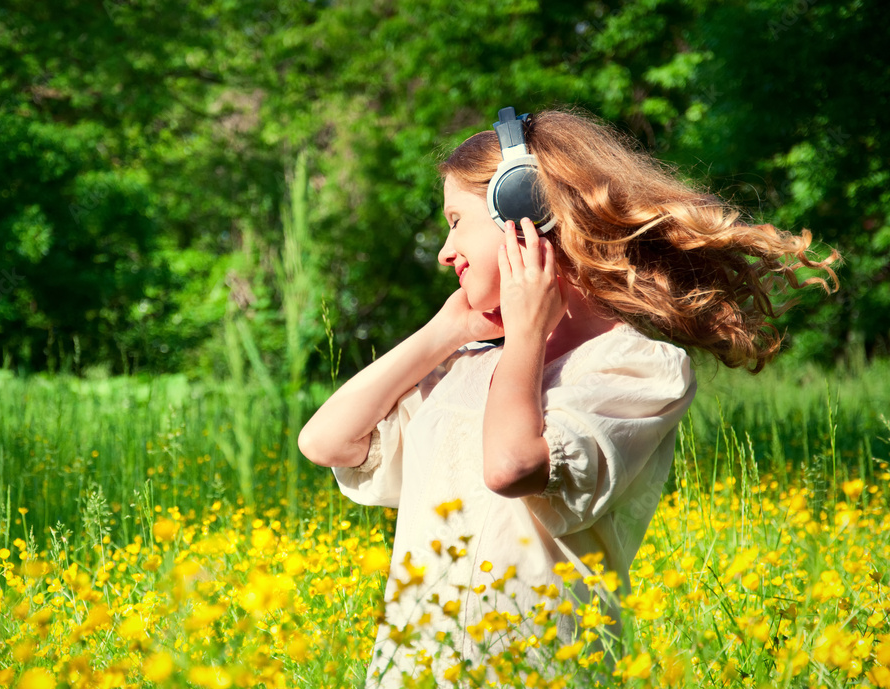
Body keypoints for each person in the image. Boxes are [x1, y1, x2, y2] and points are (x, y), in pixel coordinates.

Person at [297, 106, 838, 687]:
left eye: (456, 221)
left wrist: (527, 334)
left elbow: (510, 466)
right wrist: (444, 331)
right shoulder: (464, 366)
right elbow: (326, 441)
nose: (444, 251)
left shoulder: (638, 370)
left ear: (525, 213)